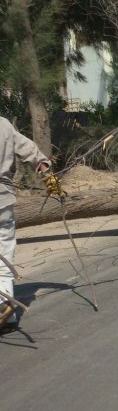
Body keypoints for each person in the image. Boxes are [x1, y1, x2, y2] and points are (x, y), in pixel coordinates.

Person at [0, 117, 52, 333]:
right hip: (2, 201)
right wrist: (45, 170)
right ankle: (5, 308)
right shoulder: (2, 124)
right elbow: (30, 151)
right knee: (3, 253)